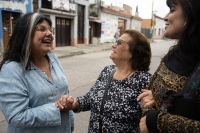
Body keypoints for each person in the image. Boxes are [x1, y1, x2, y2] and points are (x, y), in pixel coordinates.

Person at [56, 29, 152, 133]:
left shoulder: (145, 81)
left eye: (120, 42)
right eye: (116, 41)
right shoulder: (107, 71)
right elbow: (90, 99)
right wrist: (74, 103)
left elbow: (150, 121)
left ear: (134, 52)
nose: (113, 45)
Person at [0, 13, 74, 133]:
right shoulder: (11, 69)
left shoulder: (53, 59)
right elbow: (16, 116)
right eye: (42, 29)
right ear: (25, 34)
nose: (49, 33)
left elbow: (64, 93)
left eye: (50, 30)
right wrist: (57, 108)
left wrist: (70, 120)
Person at [138, 0, 200, 132]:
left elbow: (153, 119)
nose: (166, 17)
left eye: (172, 10)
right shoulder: (172, 55)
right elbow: (148, 95)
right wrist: (154, 103)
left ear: (191, 14)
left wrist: (159, 121)